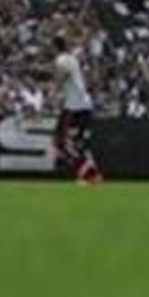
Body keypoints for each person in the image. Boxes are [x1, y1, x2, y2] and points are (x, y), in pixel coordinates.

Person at [52, 33, 102, 184]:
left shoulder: (61, 60)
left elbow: (62, 76)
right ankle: (91, 174)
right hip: (83, 104)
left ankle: (88, 175)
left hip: (74, 106)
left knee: (64, 143)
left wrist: (55, 88)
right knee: (76, 143)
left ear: (54, 47)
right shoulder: (72, 58)